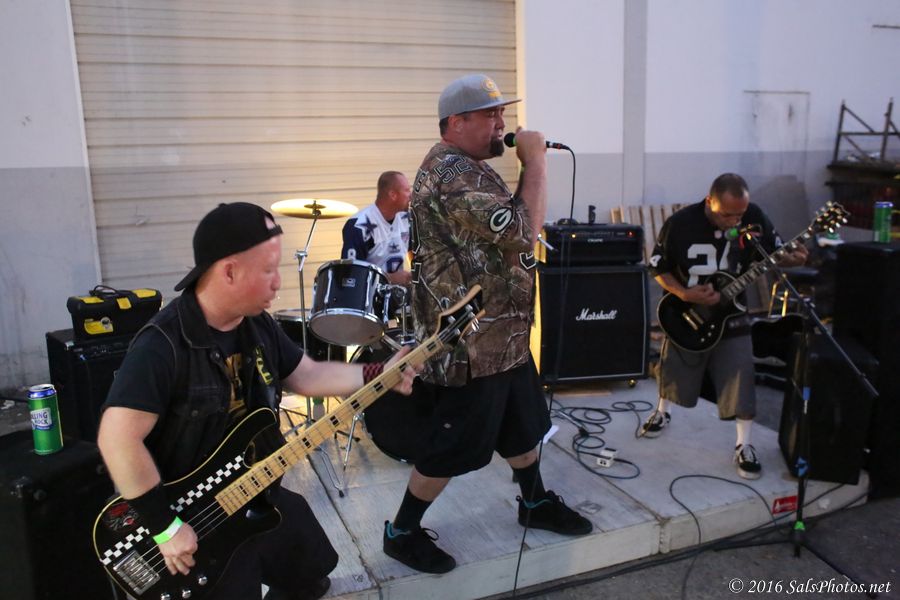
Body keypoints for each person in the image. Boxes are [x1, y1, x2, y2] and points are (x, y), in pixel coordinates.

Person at [96, 202, 416, 600]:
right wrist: (165, 528)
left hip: (252, 490)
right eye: (268, 270)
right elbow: (117, 439)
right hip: (193, 518)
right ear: (229, 271)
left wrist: (377, 373)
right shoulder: (162, 345)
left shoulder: (257, 325)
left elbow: (306, 375)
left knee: (311, 573)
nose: (277, 283)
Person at [381, 73, 592, 575]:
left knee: (523, 426)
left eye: (502, 113)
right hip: (470, 346)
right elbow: (522, 230)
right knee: (450, 448)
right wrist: (535, 162)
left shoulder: (472, 168)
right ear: (456, 122)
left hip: (502, 336)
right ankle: (401, 532)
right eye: (490, 115)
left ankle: (534, 502)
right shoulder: (453, 172)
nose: (502, 123)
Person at [641, 173, 808, 479]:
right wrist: (684, 293)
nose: (735, 221)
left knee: (741, 372)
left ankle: (744, 444)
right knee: (674, 366)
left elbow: (775, 253)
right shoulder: (680, 223)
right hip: (686, 310)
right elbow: (657, 266)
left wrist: (792, 260)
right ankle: (662, 412)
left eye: (739, 214)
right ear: (710, 202)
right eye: (727, 214)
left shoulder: (754, 217)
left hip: (733, 312)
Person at [341, 171, 412, 286]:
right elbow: (351, 275)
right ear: (393, 195)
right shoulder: (359, 225)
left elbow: (417, 254)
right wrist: (389, 278)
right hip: (369, 295)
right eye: (407, 190)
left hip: (398, 294)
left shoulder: (406, 219)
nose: (411, 195)